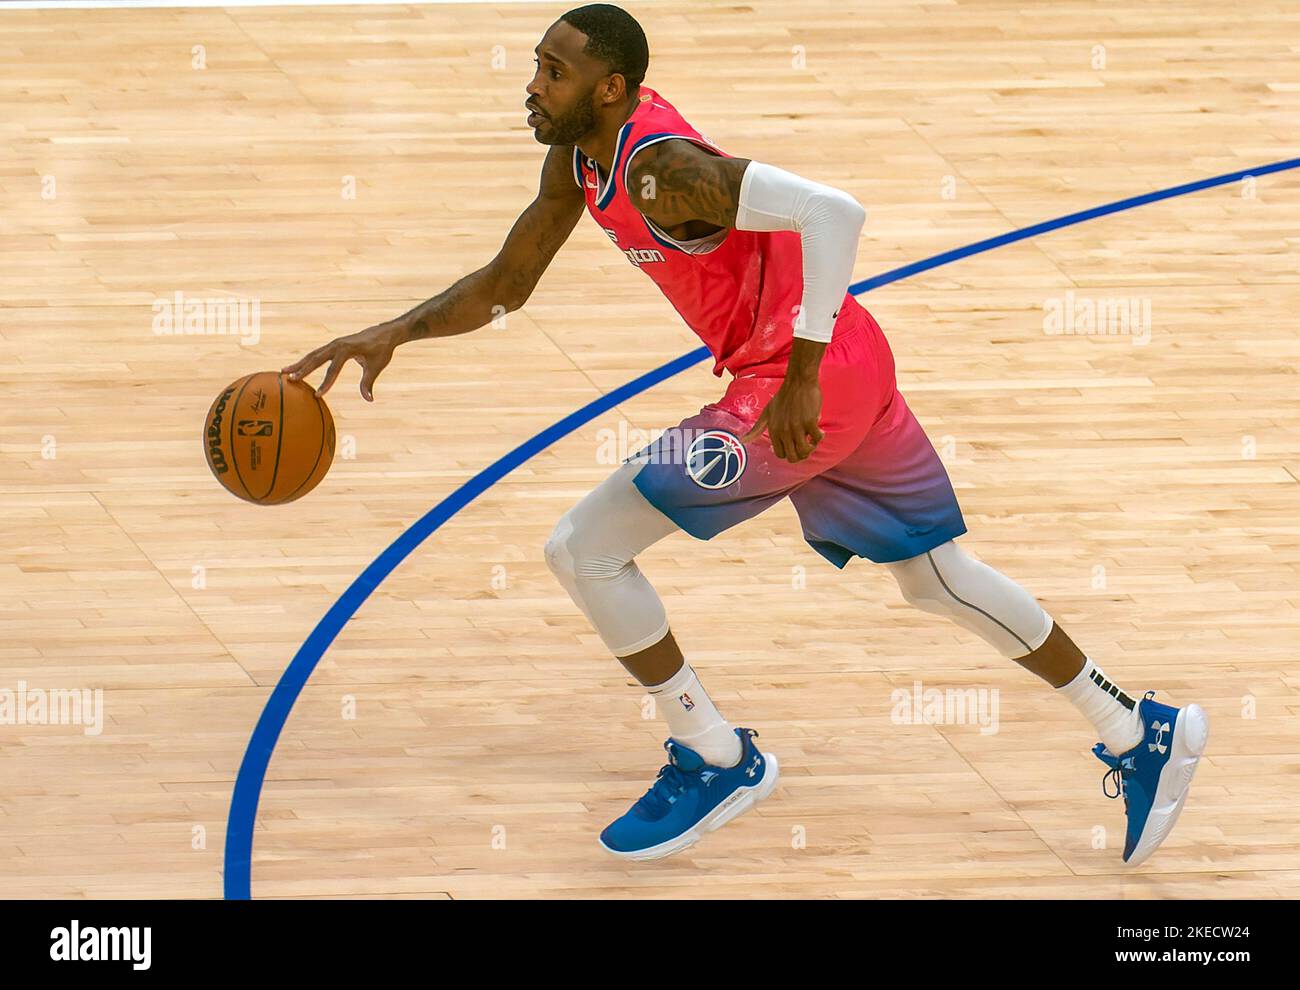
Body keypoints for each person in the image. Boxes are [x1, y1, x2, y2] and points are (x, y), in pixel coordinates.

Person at [284, 4, 1207, 865]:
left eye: (554, 73)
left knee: (584, 549)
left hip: (798, 385)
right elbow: (507, 284)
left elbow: (834, 212)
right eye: (536, 65)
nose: (532, 85)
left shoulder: (660, 169)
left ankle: (716, 754)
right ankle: (1137, 730)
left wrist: (800, 373)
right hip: (847, 362)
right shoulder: (579, 161)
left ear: (611, 88)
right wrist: (393, 331)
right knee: (935, 579)